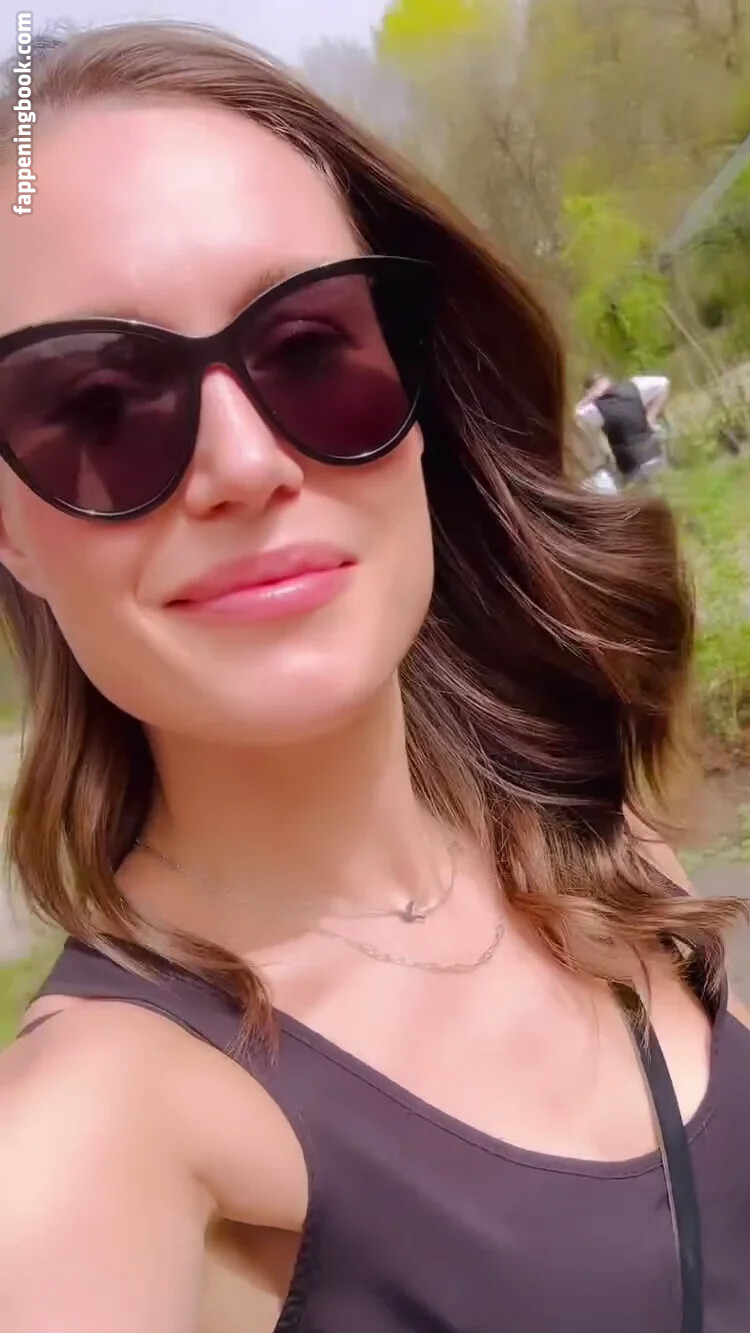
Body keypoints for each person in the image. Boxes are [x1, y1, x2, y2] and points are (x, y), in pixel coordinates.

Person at [0, 22, 748, 1333]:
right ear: (10, 529)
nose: (244, 464)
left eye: (308, 347)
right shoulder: (92, 1142)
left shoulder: (585, 833)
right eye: (99, 405)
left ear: (415, 387)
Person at [575, 372, 671, 482]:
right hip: (655, 456)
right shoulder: (634, 386)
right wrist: (651, 418)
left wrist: (589, 397)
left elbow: (577, 413)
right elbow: (664, 383)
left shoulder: (595, 409)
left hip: (633, 467)